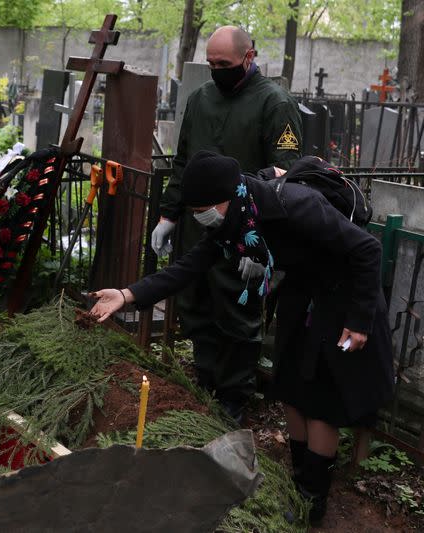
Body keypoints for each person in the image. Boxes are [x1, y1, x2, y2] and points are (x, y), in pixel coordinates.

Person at [91, 151, 394, 524]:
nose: (201, 218)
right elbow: (190, 266)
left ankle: (312, 503)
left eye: (202, 209)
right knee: (291, 390)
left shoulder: (296, 205)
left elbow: (367, 249)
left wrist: (360, 320)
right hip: (304, 293)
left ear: (224, 198)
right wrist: (127, 295)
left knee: (320, 403)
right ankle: (299, 481)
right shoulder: (235, 218)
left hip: (343, 298)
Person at [151, 26, 303, 421]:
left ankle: (234, 394)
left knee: (238, 312)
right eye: (212, 63)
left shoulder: (274, 103)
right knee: (196, 304)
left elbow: (285, 173)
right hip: (198, 225)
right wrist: (169, 213)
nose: (217, 70)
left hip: (245, 233)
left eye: (225, 64)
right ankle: (205, 379)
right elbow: (183, 161)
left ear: (249, 58)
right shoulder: (202, 98)